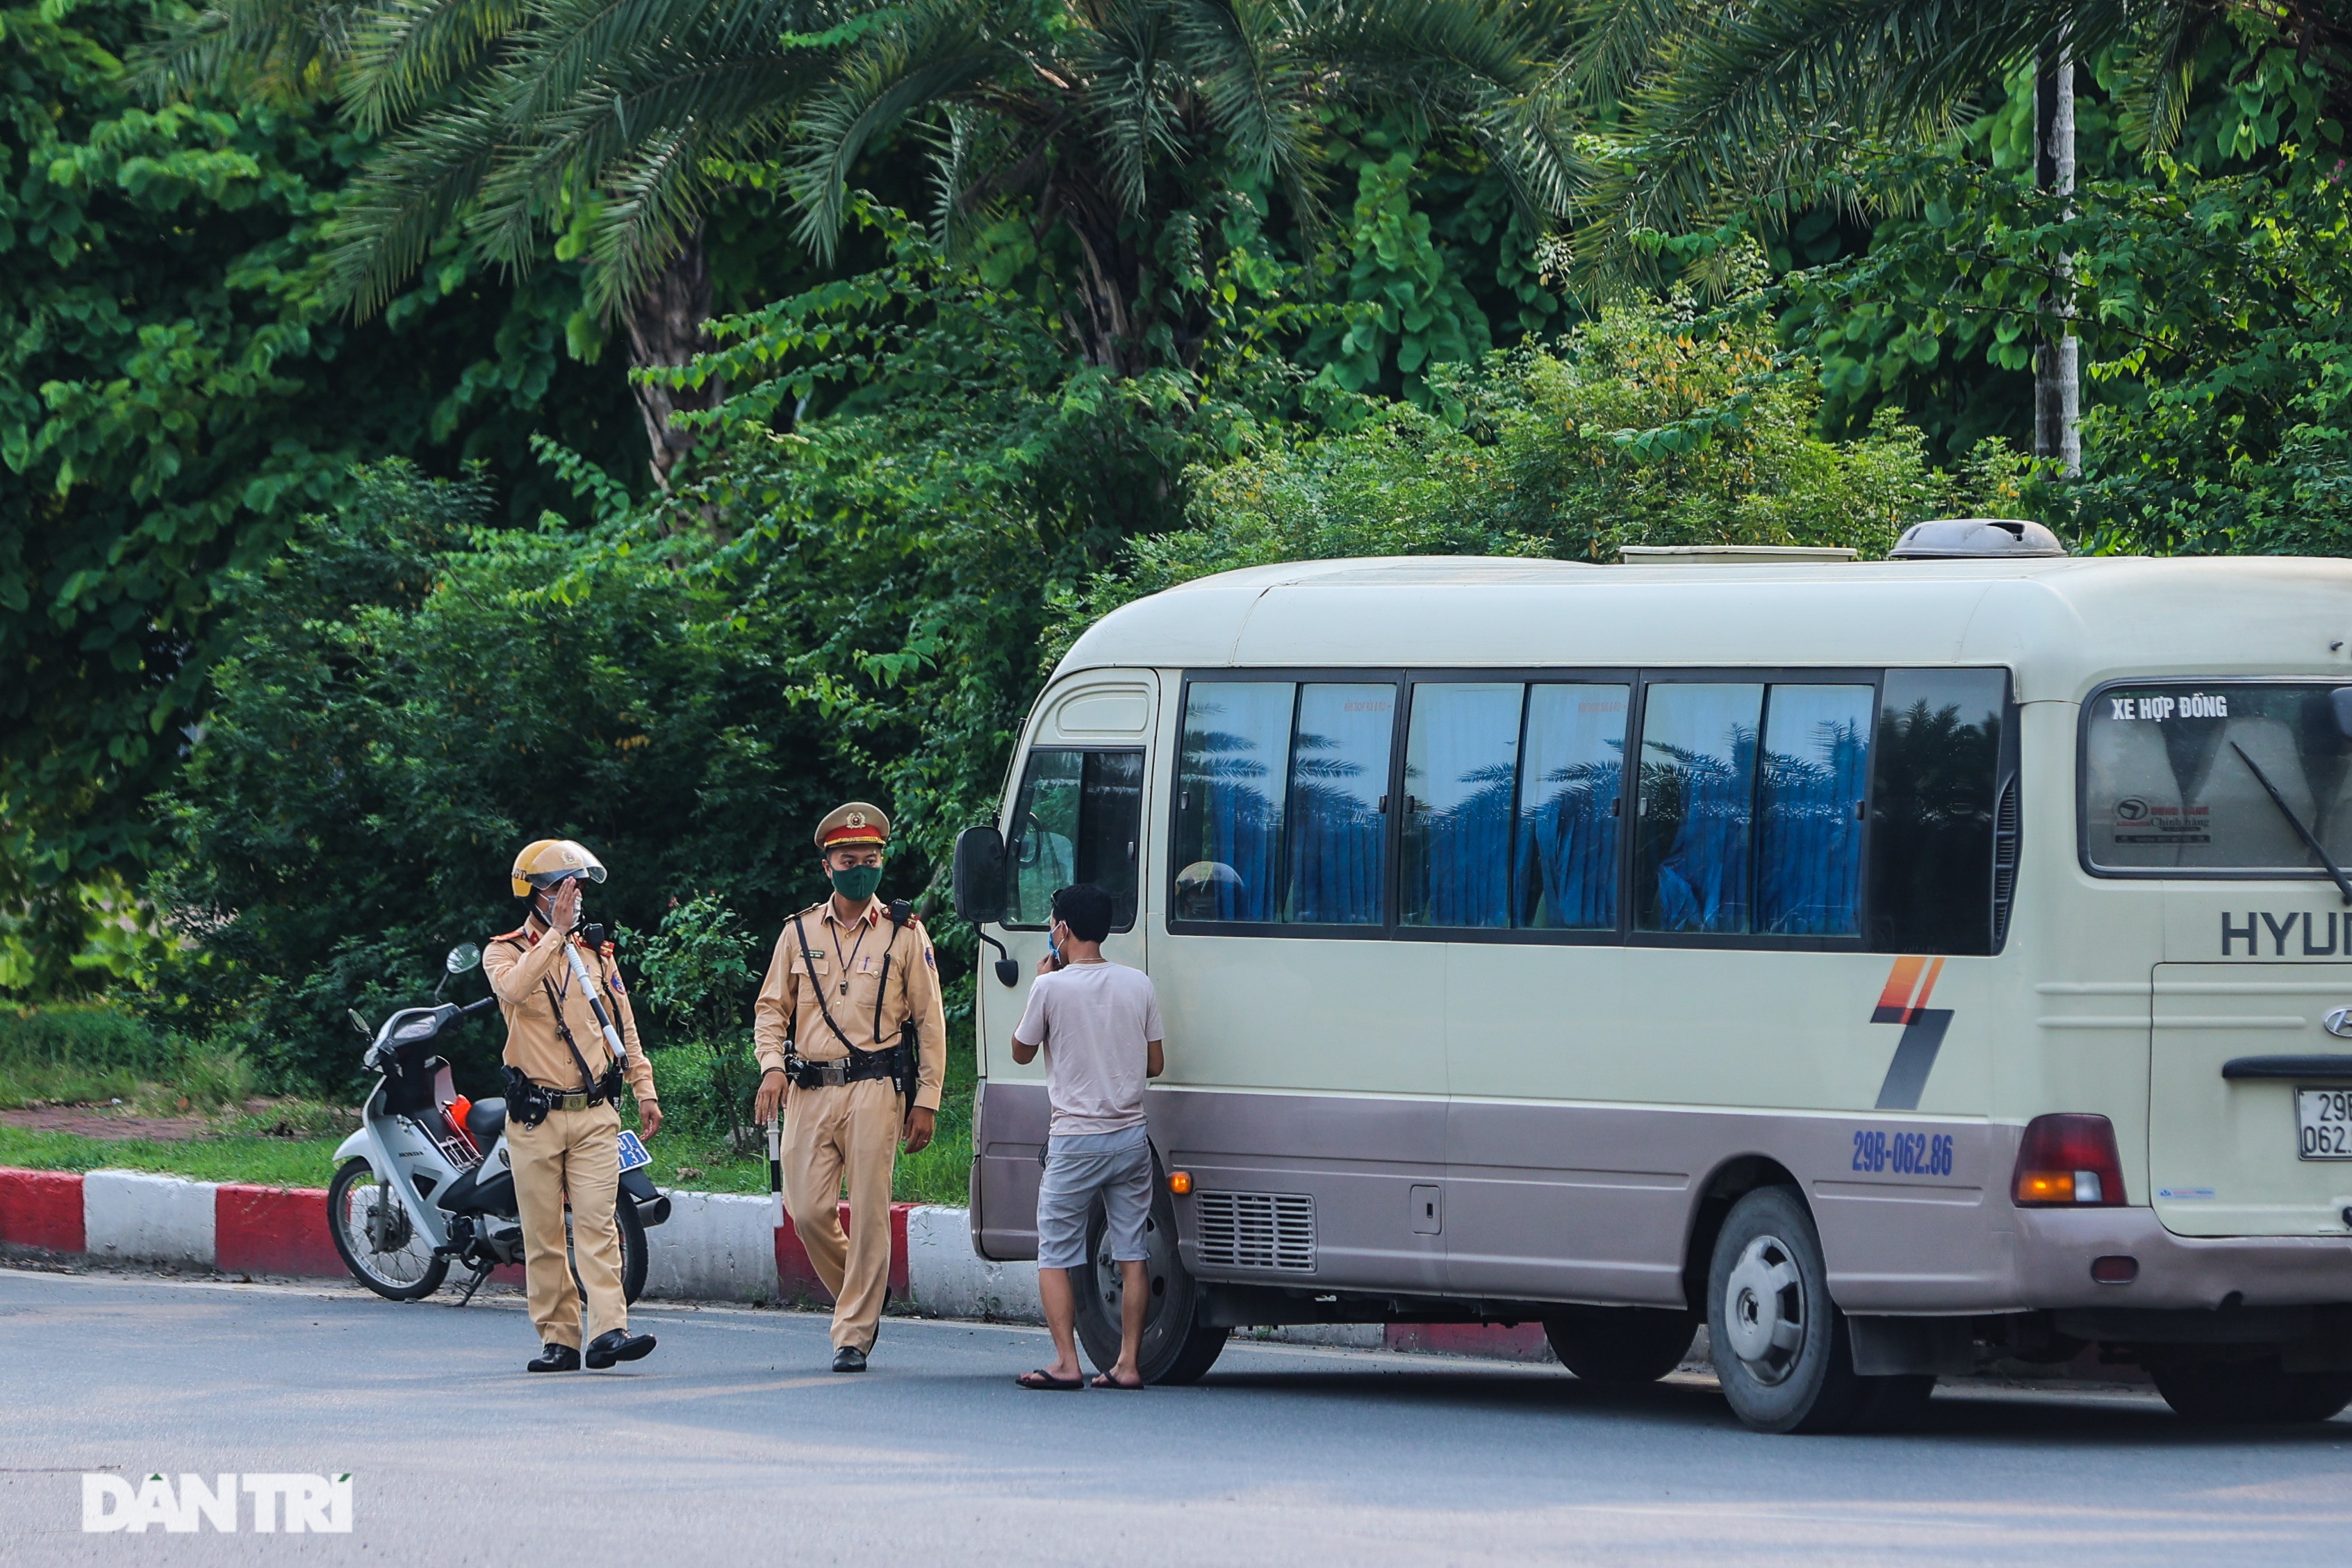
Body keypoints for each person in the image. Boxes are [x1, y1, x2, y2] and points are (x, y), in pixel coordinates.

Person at [752, 802, 947, 1373]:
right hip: (809, 1090)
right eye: (847, 859)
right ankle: (862, 1292)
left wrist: (927, 1099)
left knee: (867, 1210)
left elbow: (929, 1021)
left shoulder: (904, 933)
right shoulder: (797, 931)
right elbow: (771, 1008)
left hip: (874, 1089)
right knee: (807, 1209)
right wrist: (771, 1064)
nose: (859, 868)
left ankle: (853, 1333)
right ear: (827, 866)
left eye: (870, 859)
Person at [484, 839, 661, 1374]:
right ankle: (559, 1338)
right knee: (542, 1233)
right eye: (564, 886)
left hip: (592, 1113)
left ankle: (609, 1330)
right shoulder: (506, 951)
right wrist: (555, 935)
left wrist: (643, 1086)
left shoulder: (595, 954)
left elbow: (623, 1023)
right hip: (535, 1116)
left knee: (598, 1225)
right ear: (535, 894)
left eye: (578, 886)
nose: (574, 896)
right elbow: (514, 992)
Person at [1008, 882, 1165, 1392]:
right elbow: (1156, 1062)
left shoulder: (1050, 987)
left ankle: (1065, 1361)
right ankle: (1128, 1363)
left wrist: (1041, 981)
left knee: (1055, 1251)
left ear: (1063, 929)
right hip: (1129, 1137)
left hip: (1075, 1139)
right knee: (1131, 1249)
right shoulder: (1138, 983)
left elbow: (1020, 1051)